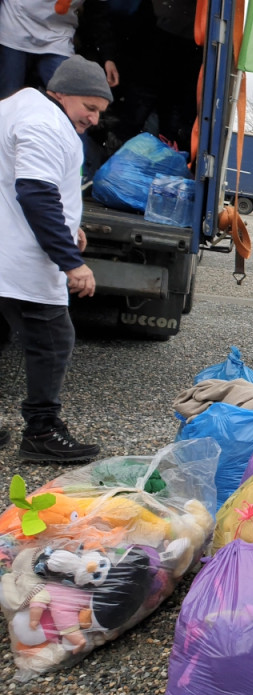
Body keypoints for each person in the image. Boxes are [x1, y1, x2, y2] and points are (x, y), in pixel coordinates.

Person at [0, 54, 111, 461]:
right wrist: (71, 261)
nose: (94, 119)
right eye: (90, 107)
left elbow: (17, 182)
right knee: (52, 340)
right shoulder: (46, 124)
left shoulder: (16, 107)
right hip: (18, 259)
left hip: (6, 249)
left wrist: (69, 224)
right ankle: (41, 433)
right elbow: (35, 193)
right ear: (61, 94)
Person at [0, 0, 119, 100]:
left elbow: (98, 15)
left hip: (58, 36)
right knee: (8, 96)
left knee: (70, 96)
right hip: (14, 25)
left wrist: (108, 57)